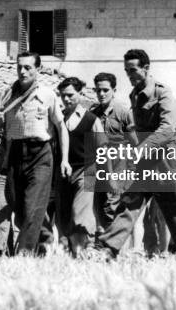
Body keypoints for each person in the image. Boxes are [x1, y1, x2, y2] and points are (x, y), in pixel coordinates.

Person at [96, 49, 176, 259]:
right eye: (126, 71)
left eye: (133, 70)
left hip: (166, 157)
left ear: (146, 68)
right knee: (130, 202)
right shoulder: (134, 95)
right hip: (146, 159)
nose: (129, 75)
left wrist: (140, 150)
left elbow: (167, 129)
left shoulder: (163, 93)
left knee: (173, 206)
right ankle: (107, 248)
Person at [0, 51, 70, 255]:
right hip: (15, 154)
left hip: (40, 155)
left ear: (38, 69)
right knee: (18, 207)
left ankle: (24, 254)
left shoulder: (48, 94)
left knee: (33, 205)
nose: (22, 71)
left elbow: (61, 127)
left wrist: (64, 160)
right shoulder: (7, 95)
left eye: (28, 67)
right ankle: (44, 237)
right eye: (19, 67)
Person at [56, 77, 107, 257]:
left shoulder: (91, 119)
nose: (66, 99)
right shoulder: (58, 118)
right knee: (63, 218)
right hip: (63, 173)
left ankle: (86, 251)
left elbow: (103, 148)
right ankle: (74, 255)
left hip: (87, 170)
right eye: (62, 96)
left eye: (70, 95)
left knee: (81, 215)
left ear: (81, 94)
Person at [89, 73, 138, 250]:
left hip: (119, 165)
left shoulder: (123, 112)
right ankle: (105, 250)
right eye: (98, 90)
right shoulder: (93, 113)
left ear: (114, 90)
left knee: (114, 208)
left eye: (105, 90)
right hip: (98, 167)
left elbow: (135, 144)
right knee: (99, 210)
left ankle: (120, 251)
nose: (101, 94)